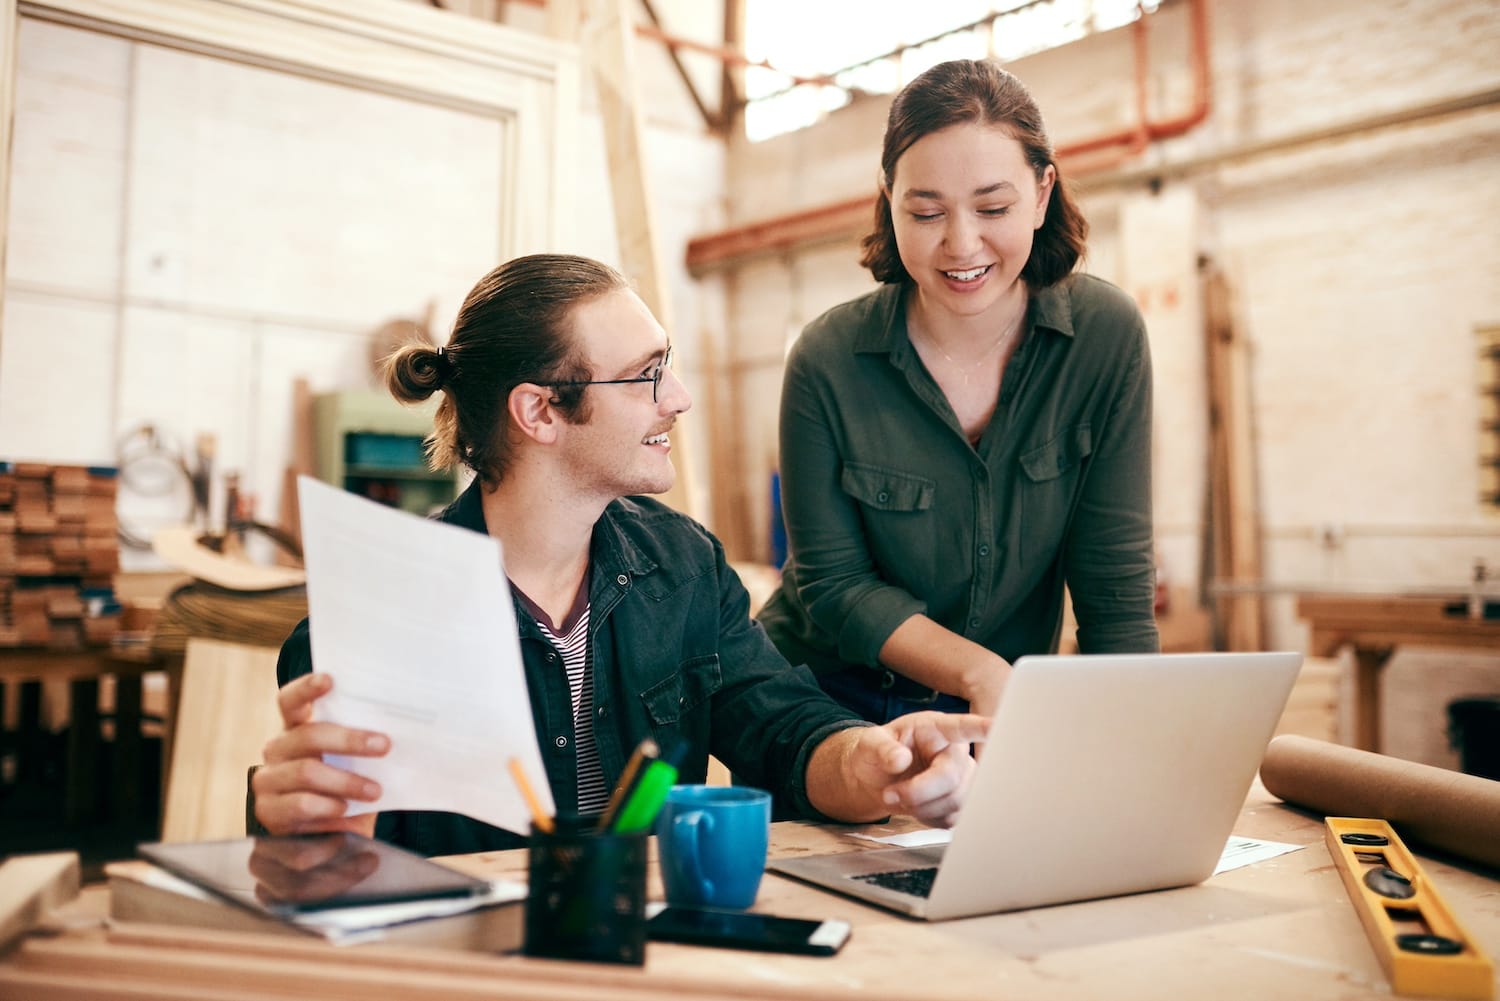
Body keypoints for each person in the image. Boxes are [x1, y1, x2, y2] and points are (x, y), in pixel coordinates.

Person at [254, 253, 987, 856]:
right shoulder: (383, 610)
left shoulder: (684, 565)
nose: (680, 397)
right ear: (540, 410)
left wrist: (871, 762)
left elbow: (781, 727)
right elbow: (323, 860)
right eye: (646, 374)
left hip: (649, 948)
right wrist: (292, 822)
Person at [757, 59, 1159, 727]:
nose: (961, 243)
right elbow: (834, 586)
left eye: (993, 207)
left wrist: (1134, 746)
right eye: (925, 211)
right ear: (889, 200)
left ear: (1042, 192)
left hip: (993, 711)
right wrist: (979, 669)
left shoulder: (1104, 339)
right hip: (825, 698)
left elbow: (1113, 583)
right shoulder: (827, 361)